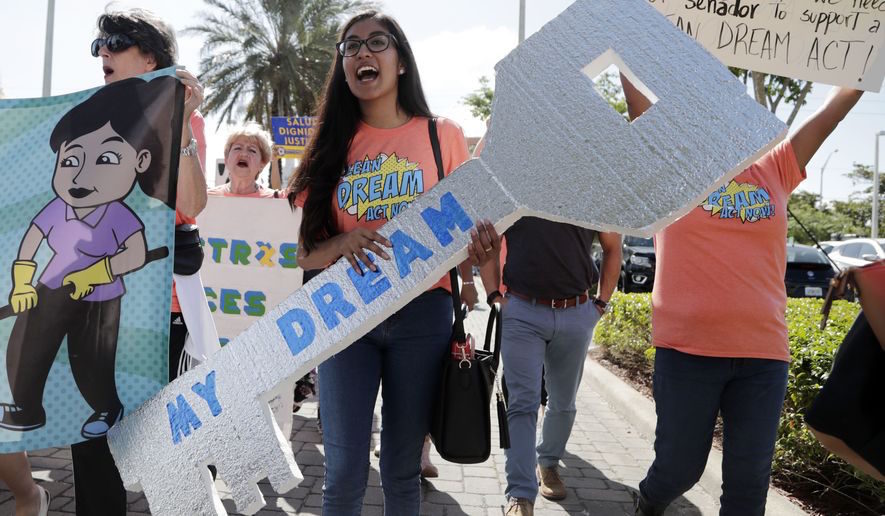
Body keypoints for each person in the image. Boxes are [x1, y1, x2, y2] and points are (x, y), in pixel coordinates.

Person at [624, 77, 864, 516]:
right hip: (686, 350)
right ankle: (650, 500)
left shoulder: (775, 167)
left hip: (762, 355)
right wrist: (624, 41)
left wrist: (869, 49)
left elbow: (834, 111)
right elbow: (642, 112)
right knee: (678, 470)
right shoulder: (672, 168)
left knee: (748, 488)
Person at [288, 10, 494, 513]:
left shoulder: (441, 135)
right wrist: (342, 243)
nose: (362, 53)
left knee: (402, 471)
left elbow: (464, 226)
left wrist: (478, 252)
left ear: (400, 60)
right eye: (350, 46)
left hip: (423, 316)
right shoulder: (330, 145)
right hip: (347, 318)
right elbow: (305, 252)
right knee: (342, 474)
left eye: (377, 42)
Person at [71, 8, 208, 516]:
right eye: (98, 45)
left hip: (158, 307)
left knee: (165, 442)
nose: (103, 52)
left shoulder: (180, 113)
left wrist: (185, 130)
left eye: (116, 42)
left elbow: (191, 205)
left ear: (150, 55)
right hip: (95, 303)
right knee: (91, 444)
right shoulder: (83, 115)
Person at [472, 134, 622, 516]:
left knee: (564, 403)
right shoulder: (515, 186)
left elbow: (612, 247)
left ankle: (548, 462)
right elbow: (488, 241)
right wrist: (494, 296)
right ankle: (520, 496)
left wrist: (600, 304)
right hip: (522, 311)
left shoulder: (594, 189)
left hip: (577, 314)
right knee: (521, 404)